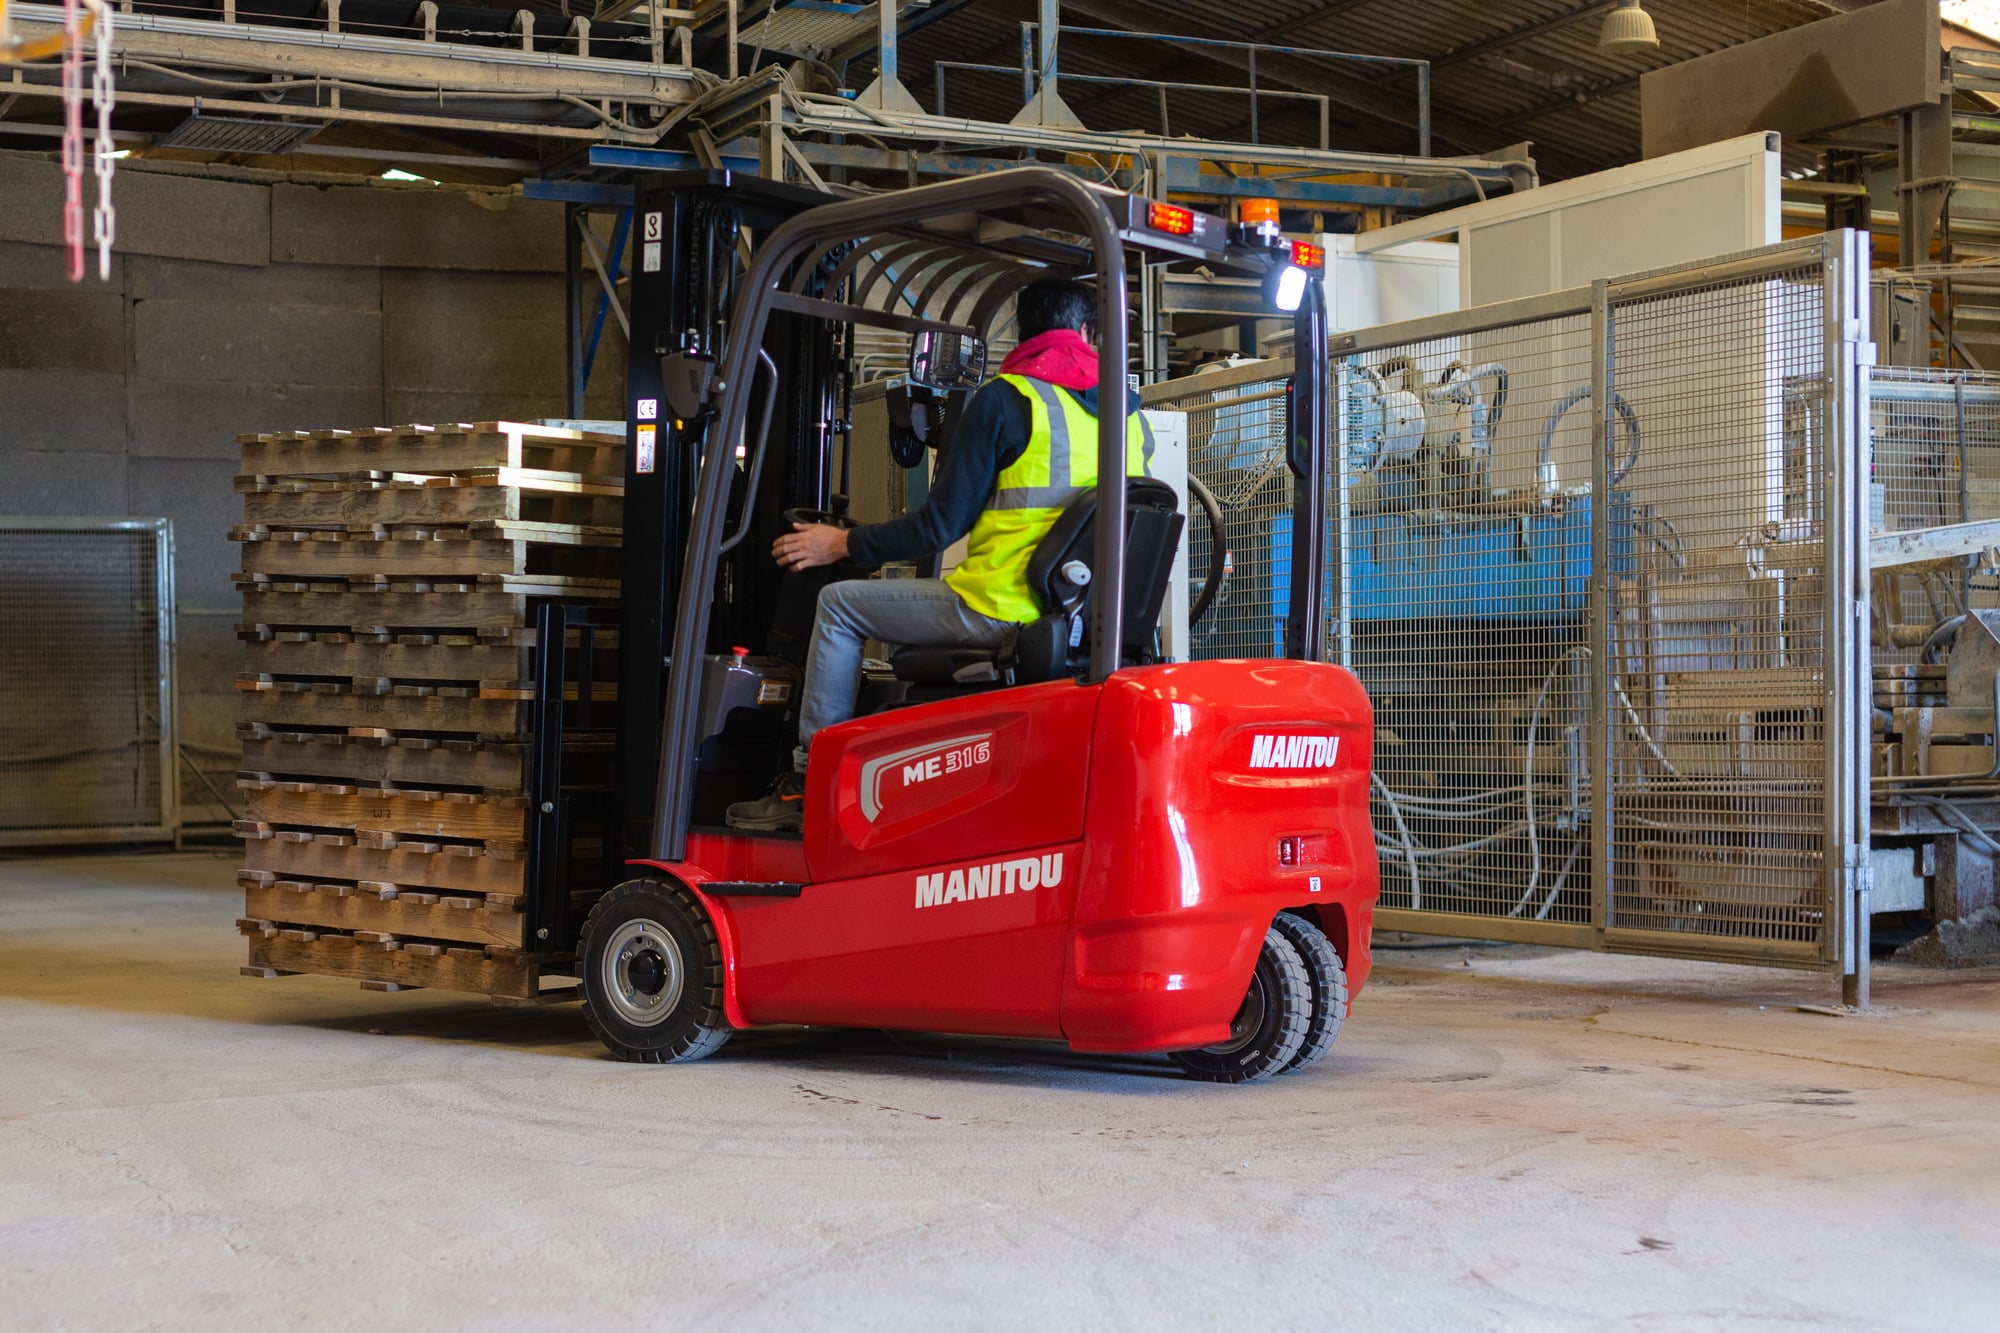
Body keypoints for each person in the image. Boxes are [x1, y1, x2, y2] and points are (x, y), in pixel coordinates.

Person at [725, 276, 1153, 832]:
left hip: (999, 608)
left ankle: (808, 785)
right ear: (1088, 332)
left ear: (1021, 334)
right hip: (1086, 623)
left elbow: (938, 527)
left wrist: (842, 544)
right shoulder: (1131, 416)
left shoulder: (1008, 399)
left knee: (837, 605)